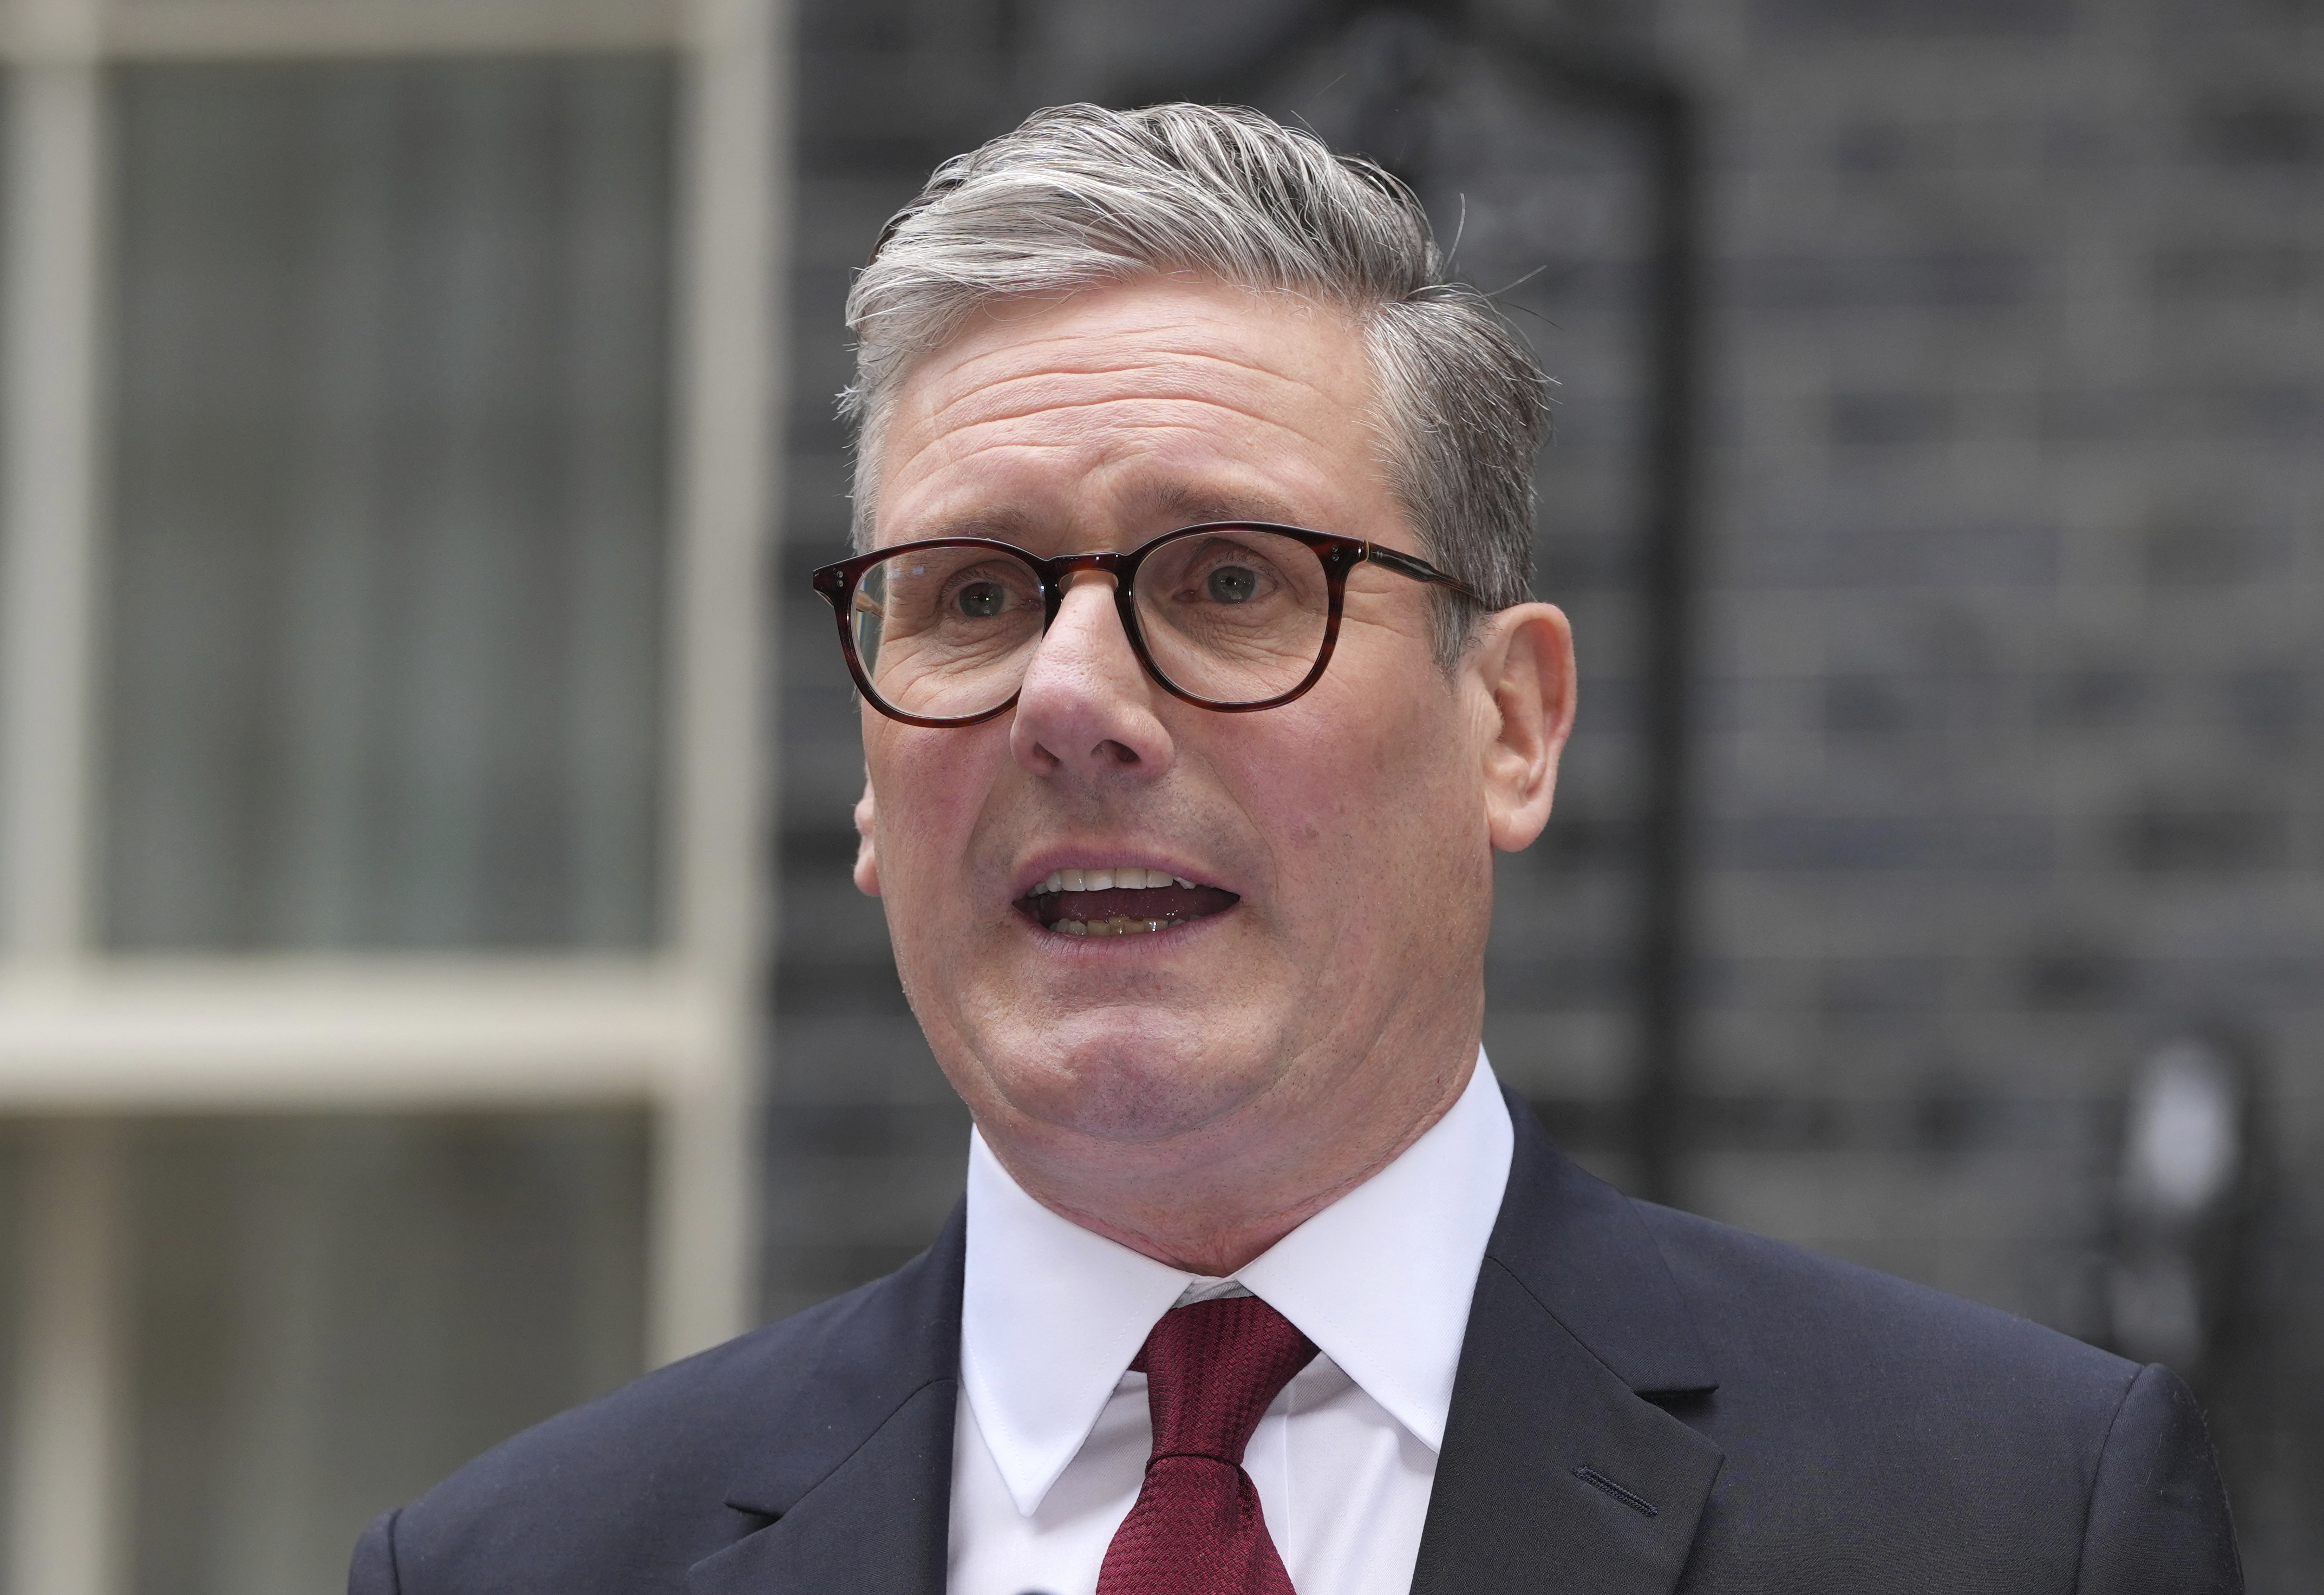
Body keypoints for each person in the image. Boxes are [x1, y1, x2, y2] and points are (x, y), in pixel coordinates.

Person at [348, 102, 2240, 1595]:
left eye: (1233, 578)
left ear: (1509, 721)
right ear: (863, 777)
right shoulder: (519, 1565)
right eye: (977, 594)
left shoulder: (2005, 1519)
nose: (1065, 697)